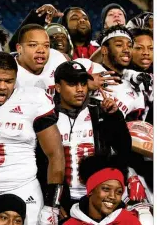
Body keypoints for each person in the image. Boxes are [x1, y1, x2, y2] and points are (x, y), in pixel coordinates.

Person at [0, 51, 65, 225]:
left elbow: (56, 154)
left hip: (24, 186)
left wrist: (52, 205)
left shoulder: (32, 100)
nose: (2, 86)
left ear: (16, 78)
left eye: (8, 81)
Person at [52, 61, 132, 221]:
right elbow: (42, 163)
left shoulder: (100, 111)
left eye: (83, 83)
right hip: (63, 199)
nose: (80, 89)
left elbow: (124, 149)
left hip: (98, 198)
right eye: (72, 84)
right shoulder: (47, 116)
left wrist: (115, 118)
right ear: (58, 87)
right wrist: (54, 201)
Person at [0, 24, 67, 97]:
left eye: (46, 46)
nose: (41, 50)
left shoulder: (57, 59)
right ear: (19, 48)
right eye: (33, 45)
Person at [63, 155, 141, 225]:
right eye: (106, 189)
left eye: (119, 192)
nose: (112, 196)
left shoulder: (130, 221)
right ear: (91, 190)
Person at [95, 25, 145, 120]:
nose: (126, 50)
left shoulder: (135, 90)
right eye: (119, 45)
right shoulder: (88, 68)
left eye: (129, 46)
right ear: (104, 50)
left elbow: (132, 127)